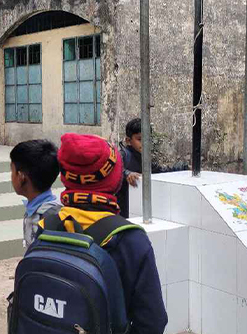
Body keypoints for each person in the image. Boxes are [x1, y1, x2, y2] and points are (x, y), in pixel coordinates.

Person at [39, 133, 168, 333]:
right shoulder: (130, 240)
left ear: (66, 177)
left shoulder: (46, 224)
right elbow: (153, 321)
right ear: (114, 180)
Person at [116, 118, 189, 218]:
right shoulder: (123, 155)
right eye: (140, 139)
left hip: (137, 208)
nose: (145, 143)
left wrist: (181, 168)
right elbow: (115, 169)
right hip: (121, 208)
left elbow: (159, 171)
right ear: (128, 141)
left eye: (147, 139)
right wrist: (127, 173)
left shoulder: (145, 159)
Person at [9, 140, 61, 249]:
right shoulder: (38, 209)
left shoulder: (46, 220)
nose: (11, 176)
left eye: (12, 171)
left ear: (21, 176)